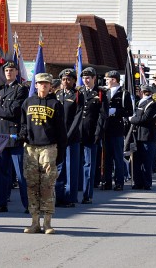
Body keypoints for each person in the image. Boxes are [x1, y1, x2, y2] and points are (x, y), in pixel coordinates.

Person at [19, 72, 67, 234]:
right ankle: (34, 222)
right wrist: (23, 133)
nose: (44, 86)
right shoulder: (28, 102)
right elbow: (23, 123)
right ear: (36, 85)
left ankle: (47, 223)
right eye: (41, 83)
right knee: (32, 185)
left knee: (47, 185)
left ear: (50, 86)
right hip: (31, 148)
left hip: (49, 148)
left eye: (47, 83)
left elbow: (61, 130)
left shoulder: (55, 104)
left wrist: (61, 152)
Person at [0, 61, 28, 212]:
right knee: (1, 173)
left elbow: (13, 112)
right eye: (6, 70)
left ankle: (28, 205)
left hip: (14, 136)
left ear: (17, 72)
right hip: (0, 136)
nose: (9, 73)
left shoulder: (21, 90)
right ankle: (1, 203)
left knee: (21, 175)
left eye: (11, 70)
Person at [55, 68, 84, 208]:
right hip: (58, 138)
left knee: (71, 168)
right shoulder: (57, 94)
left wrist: (68, 136)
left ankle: (70, 197)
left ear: (73, 81)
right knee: (59, 168)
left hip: (71, 138)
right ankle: (59, 196)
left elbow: (77, 118)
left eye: (69, 79)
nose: (66, 82)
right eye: (64, 79)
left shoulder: (77, 95)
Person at [78, 67, 106, 204]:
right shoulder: (79, 92)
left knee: (89, 165)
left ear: (94, 78)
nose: (86, 80)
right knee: (77, 164)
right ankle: (74, 192)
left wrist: (97, 133)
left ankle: (87, 194)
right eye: (84, 78)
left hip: (91, 133)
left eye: (88, 78)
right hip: (78, 133)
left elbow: (102, 115)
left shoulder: (100, 93)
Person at [101, 70, 133, 190]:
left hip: (117, 129)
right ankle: (107, 182)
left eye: (108, 79)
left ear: (114, 80)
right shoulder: (105, 92)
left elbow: (130, 111)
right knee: (107, 158)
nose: (106, 82)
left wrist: (116, 111)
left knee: (118, 157)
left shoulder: (124, 93)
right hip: (106, 128)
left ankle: (119, 182)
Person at [129, 85, 156, 190]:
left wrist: (131, 119)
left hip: (148, 135)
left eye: (146, 91)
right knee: (137, 160)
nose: (144, 93)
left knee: (147, 161)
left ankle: (146, 182)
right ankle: (138, 182)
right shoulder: (139, 103)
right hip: (137, 134)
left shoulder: (152, 104)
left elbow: (145, 119)